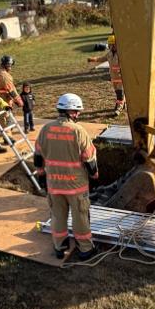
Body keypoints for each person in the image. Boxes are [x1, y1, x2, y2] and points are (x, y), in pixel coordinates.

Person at [34, 93, 99, 260]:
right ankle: (85, 249)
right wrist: (94, 175)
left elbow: (38, 156)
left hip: (54, 185)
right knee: (80, 218)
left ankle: (59, 247)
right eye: (77, 112)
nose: (78, 115)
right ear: (72, 111)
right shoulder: (78, 131)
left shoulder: (46, 129)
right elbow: (89, 158)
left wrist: (42, 176)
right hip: (76, 187)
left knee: (57, 217)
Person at [87, 35, 125, 116]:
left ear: (116, 44)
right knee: (117, 91)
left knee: (120, 92)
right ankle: (122, 103)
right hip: (113, 77)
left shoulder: (121, 53)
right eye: (110, 45)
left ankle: (119, 107)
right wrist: (93, 59)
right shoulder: (109, 54)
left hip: (121, 77)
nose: (110, 46)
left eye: (112, 44)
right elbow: (102, 59)